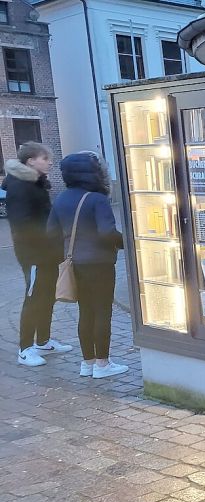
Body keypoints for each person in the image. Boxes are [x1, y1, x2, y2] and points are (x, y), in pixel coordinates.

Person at [48, 152, 127, 379]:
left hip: (75, 264)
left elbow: (50, 233)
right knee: (102, 311)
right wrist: (127, 243)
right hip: (100, 263)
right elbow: (107, 233)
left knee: (85, 311)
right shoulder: (96, 199)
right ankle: (103, 364)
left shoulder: (61, 199)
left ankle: (87, 363)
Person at [3, 142, 73, 367]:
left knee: (47, 295)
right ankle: (25, 349)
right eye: (45, 158)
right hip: (33, 254)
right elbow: (23, 224)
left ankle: (43, 340)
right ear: (30, 161)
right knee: (33, 298)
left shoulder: (35, 182)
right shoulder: (20, 186)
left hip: (48, 251)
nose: (50, 162)